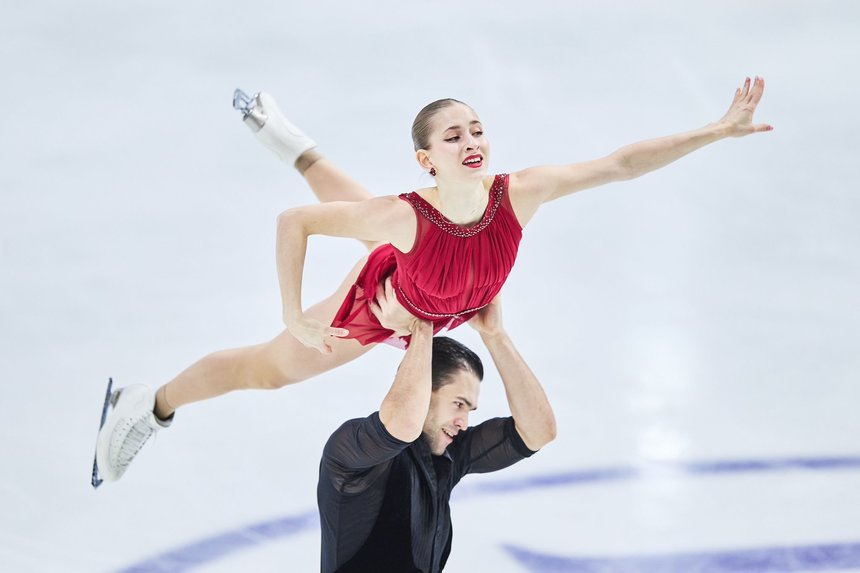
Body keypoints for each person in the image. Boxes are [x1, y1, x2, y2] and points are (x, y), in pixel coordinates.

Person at [92, 77, 771, 487]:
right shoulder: (405, 215)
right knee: (272, 368)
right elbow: (295, 223)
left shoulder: (519, 194)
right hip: (388, 305)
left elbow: (620, 164)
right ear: (426, 158)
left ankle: (285, 136)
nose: (470, 138)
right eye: (452, 136)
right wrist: (297, 314)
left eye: (475, 128)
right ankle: (146, 403)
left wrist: (717, 129)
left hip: (433, 293)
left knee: (367, 217)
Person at [318, 289, 556, 572]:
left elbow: (538, 431)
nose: (464, 422)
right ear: (425, 391)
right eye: (458, 404)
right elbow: (401, 425)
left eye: (469, 410)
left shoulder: (449, 454)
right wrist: (422, 324)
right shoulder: (351, 451)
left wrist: (495, 335)